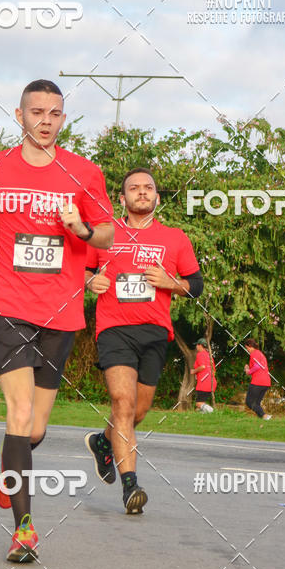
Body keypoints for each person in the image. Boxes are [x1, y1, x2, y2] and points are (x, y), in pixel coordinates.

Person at [0, 79, 114, 561]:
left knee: (36, 428)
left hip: (61, 309)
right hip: (3, 302)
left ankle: (10, 465)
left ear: (63, 119)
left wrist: (80, 228)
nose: (46, 120)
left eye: (55, 113)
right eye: (37, 111)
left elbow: (105, 233)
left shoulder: (84, 173)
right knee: (18, 414)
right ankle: (24, 529)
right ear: (18, 116)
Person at [84, 168, 203, 514]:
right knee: (122, 402)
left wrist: (171, 282)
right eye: (133, 188)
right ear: (121, 199)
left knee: (138, 411)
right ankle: (130, 487)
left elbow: (195, 285)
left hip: (154, 332)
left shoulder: (176, 238)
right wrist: (91, 282)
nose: (141, 192)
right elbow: (79, 268)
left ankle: (103, 442)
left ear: (157, 198)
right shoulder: (105, 234)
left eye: (148, 188)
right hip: (114, 329)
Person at [244, 338, 272, 420]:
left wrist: (248, 371)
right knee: (256, 403)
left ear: (250, 346)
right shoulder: (260, 354)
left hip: (258, 382)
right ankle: (262, 419)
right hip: (266, 382)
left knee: (249, 402)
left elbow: (257, 366)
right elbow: (259, 367)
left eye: (247, 348)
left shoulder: (254, 354)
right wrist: (248, 369)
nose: (247, 350)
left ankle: (265, 416)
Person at [191, 338, 217, 412]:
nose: (196, 346)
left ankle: (212, 411)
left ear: (200, 345)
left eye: (197, 345)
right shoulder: (209, 355)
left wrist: (194, 371)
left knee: (198, 404)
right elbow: (213, 370)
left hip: (204, 383)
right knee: (200, 406)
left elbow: (203, 366)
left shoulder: (200, 354)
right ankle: (204, 417)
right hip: (211, 382)